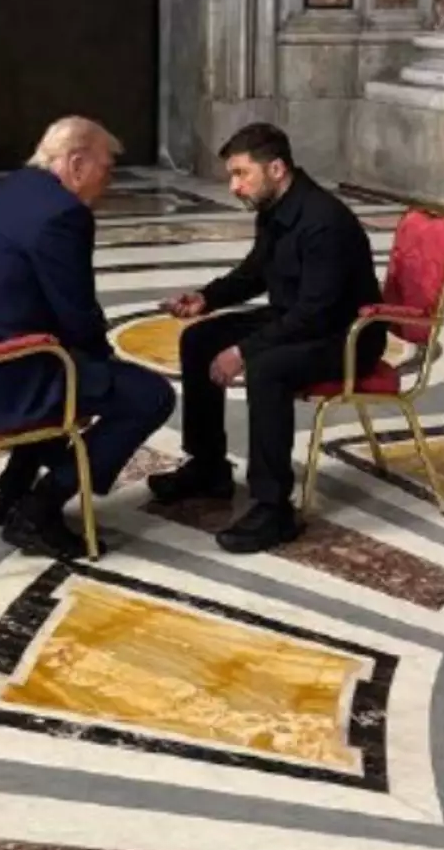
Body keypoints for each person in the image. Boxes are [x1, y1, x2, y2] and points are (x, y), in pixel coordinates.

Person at [0, 117, 174, 560]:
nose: (110, 180)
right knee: (148, 396)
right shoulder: (63, 214)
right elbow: (77, 313)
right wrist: (104, 369)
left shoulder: (10, 190)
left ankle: (11, 490)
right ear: (77, 163)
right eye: (107, 168)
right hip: (5, 377)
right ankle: (39, 509)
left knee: (76, 372)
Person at [151, 123, 385, 554]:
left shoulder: (324, 221)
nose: (234, 186)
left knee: (268, 368)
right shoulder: (275, 208)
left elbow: (316, 314)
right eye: (232, 176)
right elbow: (256, 271)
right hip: (297, 318)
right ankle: (208, 466)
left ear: (276, 168)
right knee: (199, 340)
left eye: (241, 174)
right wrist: (206, 298)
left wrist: (243, 351)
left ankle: (273, 507)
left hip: (345, 336)